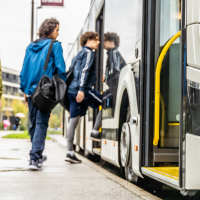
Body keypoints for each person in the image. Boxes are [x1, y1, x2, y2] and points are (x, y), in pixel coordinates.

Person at [20, 18, 66, 170]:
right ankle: (34, 158)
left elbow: (24, 70)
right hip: (45, 91)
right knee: (41, 123)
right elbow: (60, 69)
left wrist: (25, 90)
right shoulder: (55, 46)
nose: (58, 33)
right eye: (57, 30)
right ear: (51, 30)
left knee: (33, 123)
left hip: (30, 91)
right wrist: (62, 86)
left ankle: (36, 154)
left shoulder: (30, 46)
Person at [65, 31, 101, 163]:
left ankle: (69, 152)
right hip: (82, 90)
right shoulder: (89, 53)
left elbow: (73, 70)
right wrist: (81, 89)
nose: (98, 42)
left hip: (71, 90)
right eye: (96, 40)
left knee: (73, 121)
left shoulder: (78, 54)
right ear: (88, 41)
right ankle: (95, 131)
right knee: (106, 103)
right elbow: (84, 71)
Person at [90, 32, 126, 139]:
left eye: (105, 41)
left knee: (104, 101)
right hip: (115, 86)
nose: (102, 43)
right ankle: (96, 130)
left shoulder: (113, 53)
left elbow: (115, 71)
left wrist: (107, 78)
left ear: (111, 42)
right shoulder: (113, 53)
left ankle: (95, 130)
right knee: (105, 102)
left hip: (115, 86)